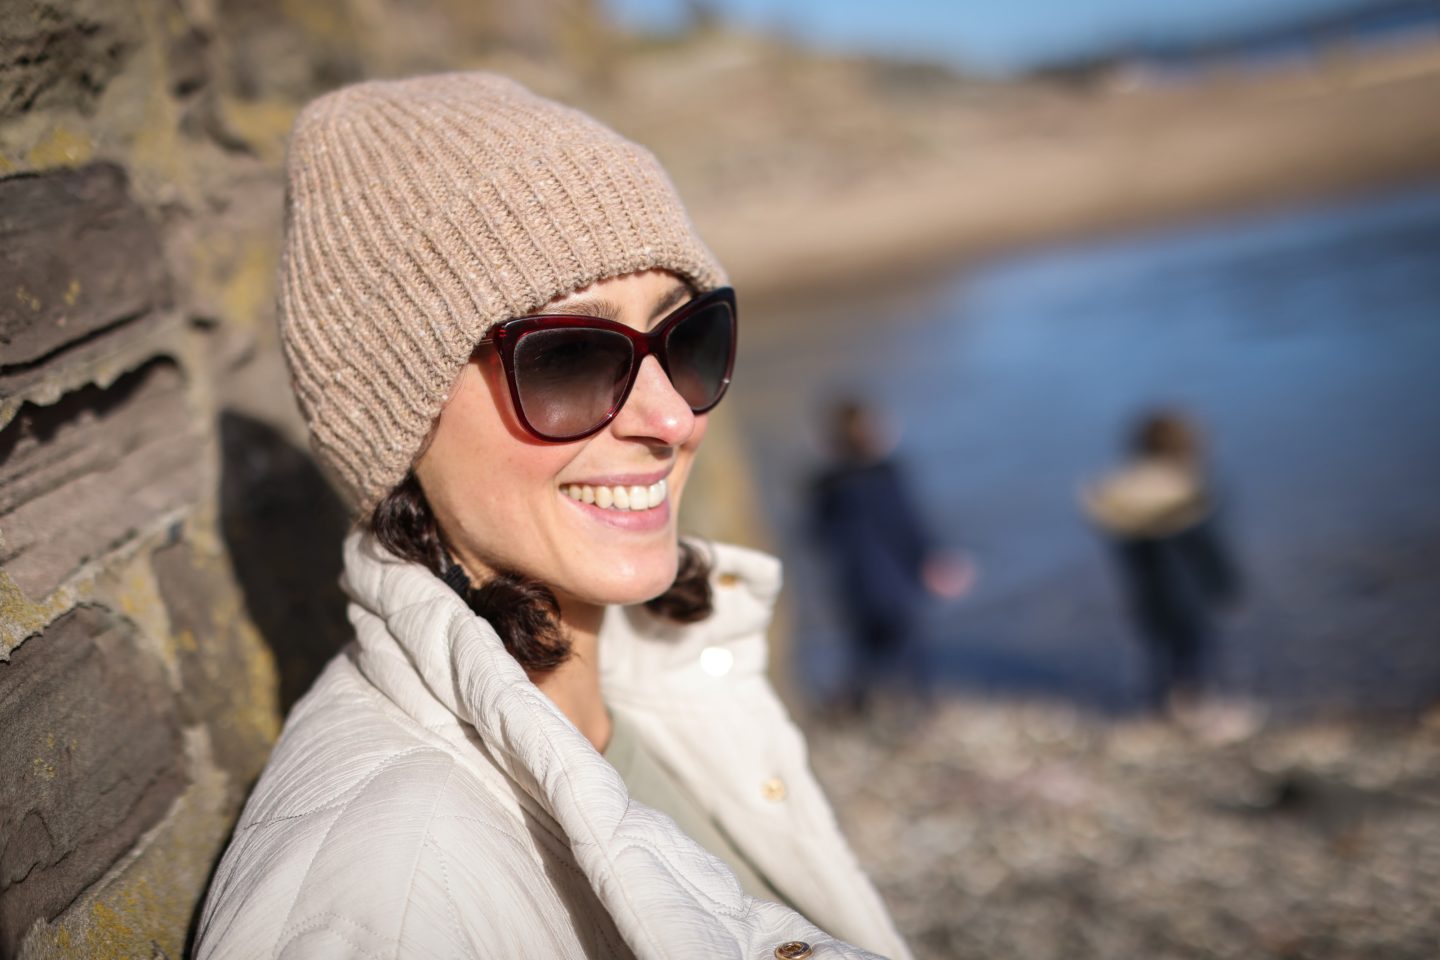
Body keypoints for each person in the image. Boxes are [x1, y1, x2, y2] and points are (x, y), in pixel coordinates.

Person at [192, 74, 910, 960]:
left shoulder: (666, 675)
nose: (671, 419)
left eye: (687, 338)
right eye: (569, 358)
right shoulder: (390, 902)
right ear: (398, 423)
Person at [809, 399, 972, 713]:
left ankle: (863, 706)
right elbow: (907, 525)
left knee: (865, 647)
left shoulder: (825, 486)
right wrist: (933, 559)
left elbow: (817, 537)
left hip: (854, 584)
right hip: (895, 581)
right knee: (909, 648)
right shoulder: (887, 475)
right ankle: (920, 705)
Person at [1081, 409, 1242, 714]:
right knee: (1195, 649)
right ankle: (1194, 702)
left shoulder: (1123, 498)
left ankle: (1157, 701)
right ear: (1187, 449)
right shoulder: (1188, 496)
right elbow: (1207, 551)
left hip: (1145, 596)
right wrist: (1227, 587)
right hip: (1189, 598)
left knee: (1156, 649)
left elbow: (1121, 546)